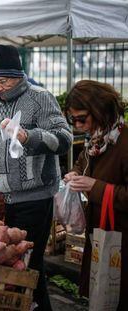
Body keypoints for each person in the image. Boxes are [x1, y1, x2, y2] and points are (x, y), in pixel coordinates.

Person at [0, 45, 72, 310]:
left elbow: (64, 139)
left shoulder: (40, 98)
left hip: (37, 196)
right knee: (22, 266)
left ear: (18, 76)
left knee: (28, 265)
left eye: (2, 81)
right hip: (8, 197)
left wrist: (29, 136)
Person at [63, 80, 128, 310]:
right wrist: (75, 174)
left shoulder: (124, 141)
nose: (78, 125)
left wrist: (94, 186)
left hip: (121, 236)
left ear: (100, 110)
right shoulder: (97, 139)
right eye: (73, 120)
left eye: (82, 118)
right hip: (100, 230)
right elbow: (83, 162)